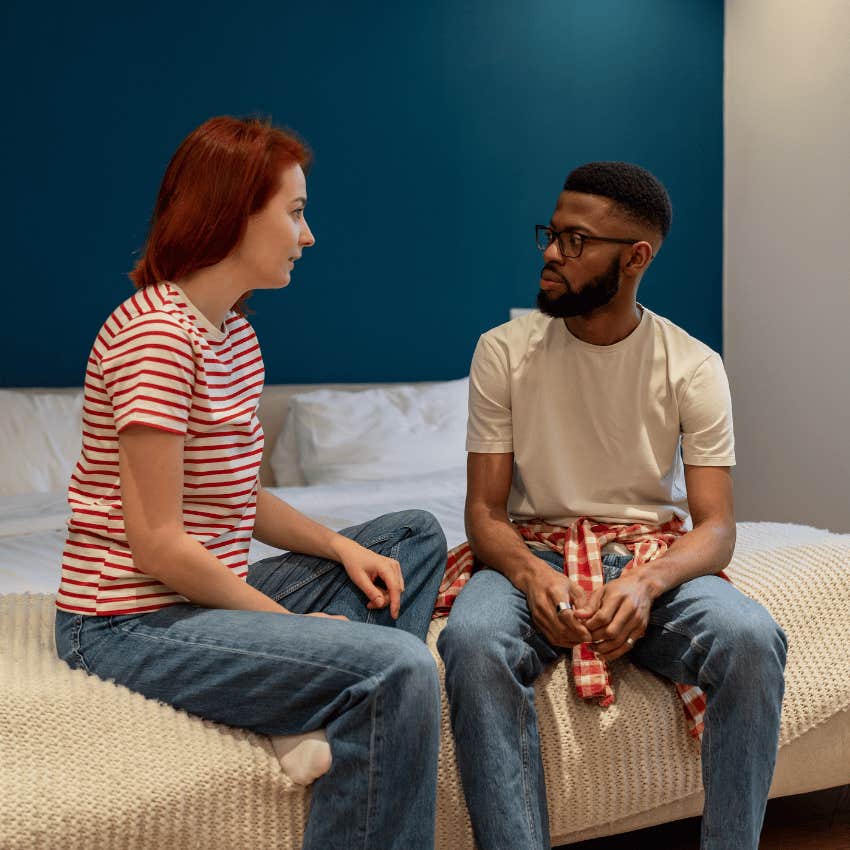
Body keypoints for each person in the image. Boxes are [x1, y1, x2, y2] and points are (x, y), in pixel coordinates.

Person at [54, 116, 447, 850]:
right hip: (123, 622)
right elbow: (161, 548)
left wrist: (337, 546)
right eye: (296, 212)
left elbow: (236, 497)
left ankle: (310, 703)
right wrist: (291, 626)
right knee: (397, 665)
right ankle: (332, 693)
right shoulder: (156, 338)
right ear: (233, 212)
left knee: (412, 538)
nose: (310, 235)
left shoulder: (233, 333)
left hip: (199, 593)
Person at [437, 162, 787, 850]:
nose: (550, 252)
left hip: (647, 556)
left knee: (750, 638)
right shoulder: (502, 353)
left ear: (635, 258)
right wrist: (535, 578)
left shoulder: (693, 365)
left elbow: (716, 525)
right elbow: (484, 512)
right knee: (472, 641)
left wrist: (645, 583)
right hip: (530, 551)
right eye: (552, 233)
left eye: (575, 240)